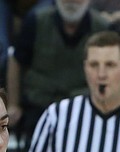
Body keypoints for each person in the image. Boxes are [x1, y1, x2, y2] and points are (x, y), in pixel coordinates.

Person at [6, 0, 108, 136]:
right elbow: (16, 61)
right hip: (39, 105)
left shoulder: (102, 27)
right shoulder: (35, 21)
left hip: (84, 107)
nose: (71, 2)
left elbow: (112, 70)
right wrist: (13, 104)